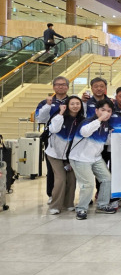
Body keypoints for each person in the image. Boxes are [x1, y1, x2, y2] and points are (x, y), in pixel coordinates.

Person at [68, 99, 117, 220]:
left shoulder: (106, 125)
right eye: (103, 110)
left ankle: (102, 204)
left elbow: (105, 141)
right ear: (96, 111)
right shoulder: (88, 122)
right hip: (80, 158)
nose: (106, 113)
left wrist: (114, 135)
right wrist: (99, 119)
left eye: (109, 111)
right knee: (88, 184)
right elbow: (85, 132)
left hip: (96, 158)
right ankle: (81, 209)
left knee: (107, 179)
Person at [45, 96, 84, 215]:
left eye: (78, 103)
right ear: (67, 105)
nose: (75, 106)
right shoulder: (59, 117)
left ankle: (68, 203)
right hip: (54, 154)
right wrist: (61, 112)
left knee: (72, 179)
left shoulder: (82, 120)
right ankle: (55, 205)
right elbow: (54, 129)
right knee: (61, 179)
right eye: (72, 104)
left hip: (71, 156)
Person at [35, 76, 70, 205]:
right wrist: (48, 105)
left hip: (69, 139)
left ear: (67, 86)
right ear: (54, 86)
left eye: (63, 84)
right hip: (52, 140)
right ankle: (51, 194)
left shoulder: (72, 100)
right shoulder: (46, 102)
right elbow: (40, 119)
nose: (60, 86)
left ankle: (67, 195)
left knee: (69, 169)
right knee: (52, 169)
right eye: (58, 84)